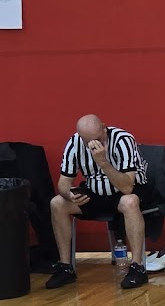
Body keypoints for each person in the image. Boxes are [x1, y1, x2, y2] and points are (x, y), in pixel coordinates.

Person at [46, 114, 153, 290]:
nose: (93, 144)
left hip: (124, 189)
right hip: (95, 191)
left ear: (104, 127)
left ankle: (137, 267)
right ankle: (65, 267)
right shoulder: (74, 143)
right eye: (87, 141)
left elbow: (127, 186)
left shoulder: (123, 140)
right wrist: (69, 194)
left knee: (130, 202)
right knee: (57, 203)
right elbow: (63, 183)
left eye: (97, 139)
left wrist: (103, 162)